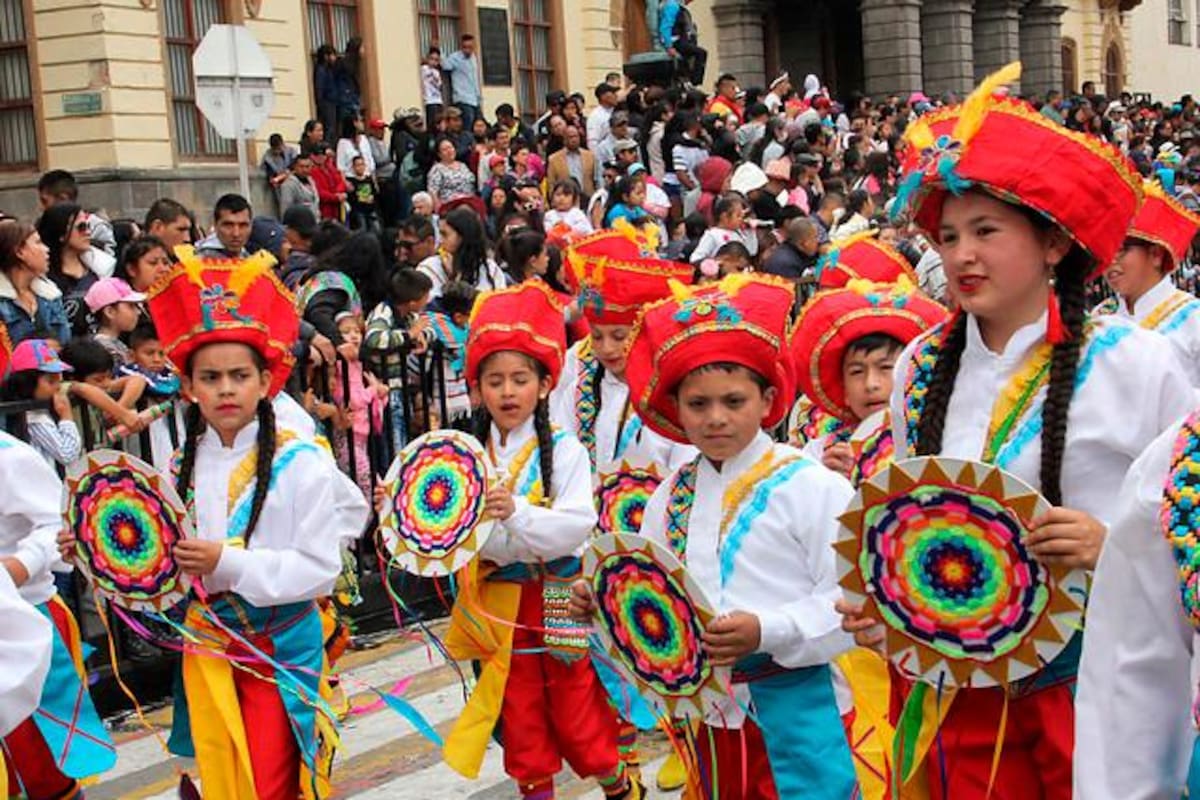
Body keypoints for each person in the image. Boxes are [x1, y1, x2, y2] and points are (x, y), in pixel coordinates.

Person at [840, 65, 1195, 800]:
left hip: (1094, 680)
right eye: (947, 235)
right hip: (951, 686)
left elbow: (1187, 511)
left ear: (1055, 244)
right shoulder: (922, 364)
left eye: (986, 231)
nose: (961, 255)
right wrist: (887, 596)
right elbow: (912, 511)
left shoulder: (1136, 361)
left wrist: (1116, 548)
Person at [573, 272, 861, 799]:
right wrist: (606, 603)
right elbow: (658, 593)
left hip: (799, 706)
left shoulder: (812, 486)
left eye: (733, 401)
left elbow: (850, 604)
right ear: (677, 409)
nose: (715, 419)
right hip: (711, 717)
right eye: (698, 404)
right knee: (539, 728)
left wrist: (769, 629)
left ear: (768, 399)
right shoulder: (672, 495)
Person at [112, 248, 368, 799]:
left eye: (238, 375)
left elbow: (322, 563)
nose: (225, 388)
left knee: (273, 782)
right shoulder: (183, 464)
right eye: (210, 376)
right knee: (225, 778)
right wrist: (101, 550)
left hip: (280, 647)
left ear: (265, 381)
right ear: (188, 387)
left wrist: (226, 561)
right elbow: (160, 553)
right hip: (214, 644)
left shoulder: (300, 461)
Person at [443, 281, 643, 800]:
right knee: (520, 704)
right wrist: (411, 509)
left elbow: (577, 525)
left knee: (573, 701)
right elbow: (454, 539)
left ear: (544, 384)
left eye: (519, 379)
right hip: (499, 597)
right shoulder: (464, 454)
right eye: (494, 381)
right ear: (478, 389)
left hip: (557, 592)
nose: (507, 392)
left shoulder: (567, 450)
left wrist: (519, 512)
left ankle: (616, 781)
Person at [0, 381, 116, 798]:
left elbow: (57, 523)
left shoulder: (10, 457)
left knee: (41, 764)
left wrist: (16, 567)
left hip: (22, 626)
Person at [791, 277, 946, 476]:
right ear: (844, 389)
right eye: (857, 372)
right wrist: (826, 480)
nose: (871, 384)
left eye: (885, 368)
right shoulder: (818, 454)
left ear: (912, 376)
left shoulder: (940, 442)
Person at [1094, 180, 1200, 385]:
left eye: (1121, 250)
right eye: (1106, 252)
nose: (1110, 262)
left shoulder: (1193, 319)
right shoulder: (1100, 317)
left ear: (1156, 255)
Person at [364, 267, 434, 454]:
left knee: (403, 436)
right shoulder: (383, 312)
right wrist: (409, 334)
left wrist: (421, 337)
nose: (428, 301)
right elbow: (375, 338)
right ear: (412, 302)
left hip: (402, 386)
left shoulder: (408, 316)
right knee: (396, 443)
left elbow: (428, 329)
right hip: (387, 389)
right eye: (425, 297)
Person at [1, 338, 82, 467]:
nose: (57, 387)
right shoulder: (35, 419)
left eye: (59, 381)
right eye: (51, 381)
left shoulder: (39, 411)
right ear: (27, 383)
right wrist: (67, 417)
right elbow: (67, 454)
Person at [38, 202, 116, 334]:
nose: (88, 232)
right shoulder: (44, 278)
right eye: (81, 227)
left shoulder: (102, 268)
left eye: (88, 226)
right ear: (61, 233)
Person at [0, 221, 69, 345]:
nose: (47, 249)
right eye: (38, 242)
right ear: (19, 252)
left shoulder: (51, 295)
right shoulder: (2, 301)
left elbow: (64, 343)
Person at [85, 276, 145, 365]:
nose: (138, 312)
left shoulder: (115, 344)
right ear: (110, 312)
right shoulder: (105, 350)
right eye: (131, 306)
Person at [688, 192, 758, 263]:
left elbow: (751, 251)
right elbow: (695, 258)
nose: (741, 219)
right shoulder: (712, 234)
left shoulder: (739, 233)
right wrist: (716, 263)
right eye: (738, 215)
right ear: (724, 217)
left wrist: (751, 231)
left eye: (742, 216)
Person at [659, 0, 706, 86]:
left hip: (680, 40)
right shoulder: (672, 5)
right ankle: (694, 81)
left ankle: (688, 80)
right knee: (701, 53)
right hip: (676, 41)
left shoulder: (678, 6)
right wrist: (669, 46)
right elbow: (666, 26)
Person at [427, 136, 478, 212]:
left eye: (450, 147)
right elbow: (433, 193)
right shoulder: (436, 169)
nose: (449, 151)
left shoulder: (463, 165)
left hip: (470, 204)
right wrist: (439, 212)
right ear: (439, 154)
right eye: (445, 149)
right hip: (450, 208)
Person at [194, 193, 253, 258]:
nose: (236, 233)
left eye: (243, 225)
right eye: (228, 226)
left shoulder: (252, 260)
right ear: (215, 225)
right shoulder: (198, 261)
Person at [547, 125, 597, 201]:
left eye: (576, 136)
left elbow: (595, 179)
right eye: (570, 137)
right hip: (565, 200)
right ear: (564, 140)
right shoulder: (554, 159)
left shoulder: (590, 156)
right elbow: (551, 184)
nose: (574, 140)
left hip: (587, 198)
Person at [762, 216, 820, 280]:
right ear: (802, 243)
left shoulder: (798, 252)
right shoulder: (785, 265)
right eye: (815, 237)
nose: (818, 241)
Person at [443, 33, 482, 128]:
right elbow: (445, 66)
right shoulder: (455, 57)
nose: (467, 50)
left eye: (470, 47)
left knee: (478, 125)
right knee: (467, 125)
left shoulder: (474, 58)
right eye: (465, 47)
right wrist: (440, 52)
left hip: (474, 99)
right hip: (462, 98)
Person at [310, 143, 349, 221]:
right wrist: (336, 197)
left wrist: (338, 194)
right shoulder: (311, 171)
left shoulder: (330, 168)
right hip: (323, 209)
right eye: (317, 154)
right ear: (312, 156)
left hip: (337, 208)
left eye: (323, 154)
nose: (320, 157)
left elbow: (341, 182)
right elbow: (318, 192)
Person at [278, 150, 321, 219]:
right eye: (301, 166)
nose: (304, 170)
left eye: (307, 167)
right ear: (295, 167)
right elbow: (285, 211)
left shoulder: (312, 181)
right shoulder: (288, 185)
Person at [345, 155, 380, 233]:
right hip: (359, 211)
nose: (360, 167)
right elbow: (352, 198)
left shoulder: (369, 179)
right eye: (358, 165)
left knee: (377, 230)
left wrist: (372, 197)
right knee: (362, 230)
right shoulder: (351, 182)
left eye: (362, 164)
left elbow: (374, 193)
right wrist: (363, 199)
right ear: (353, 167)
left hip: (371, 210)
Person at [335, 114, 375, 178]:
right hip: (351, 178)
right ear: (355, 123)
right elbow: (340, 166)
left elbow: (370, 159)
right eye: (360, 121)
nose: (362, 124)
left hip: (367, 177)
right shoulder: (342, 143)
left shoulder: (364, 138)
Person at [588, 83, 619, 153]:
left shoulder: (615, 112)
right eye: (613, 93)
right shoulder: (596, 116)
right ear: (603, 97)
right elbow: (593, 142)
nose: (616, 96)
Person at [421, 46, 444, 130]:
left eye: (436, 60)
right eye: (432, 59)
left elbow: (439, 86)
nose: (433, 62)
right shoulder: (423, 69)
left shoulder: (437, 72)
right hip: (429, 101)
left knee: (439, 123)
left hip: (438, 100)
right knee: (432, 124)